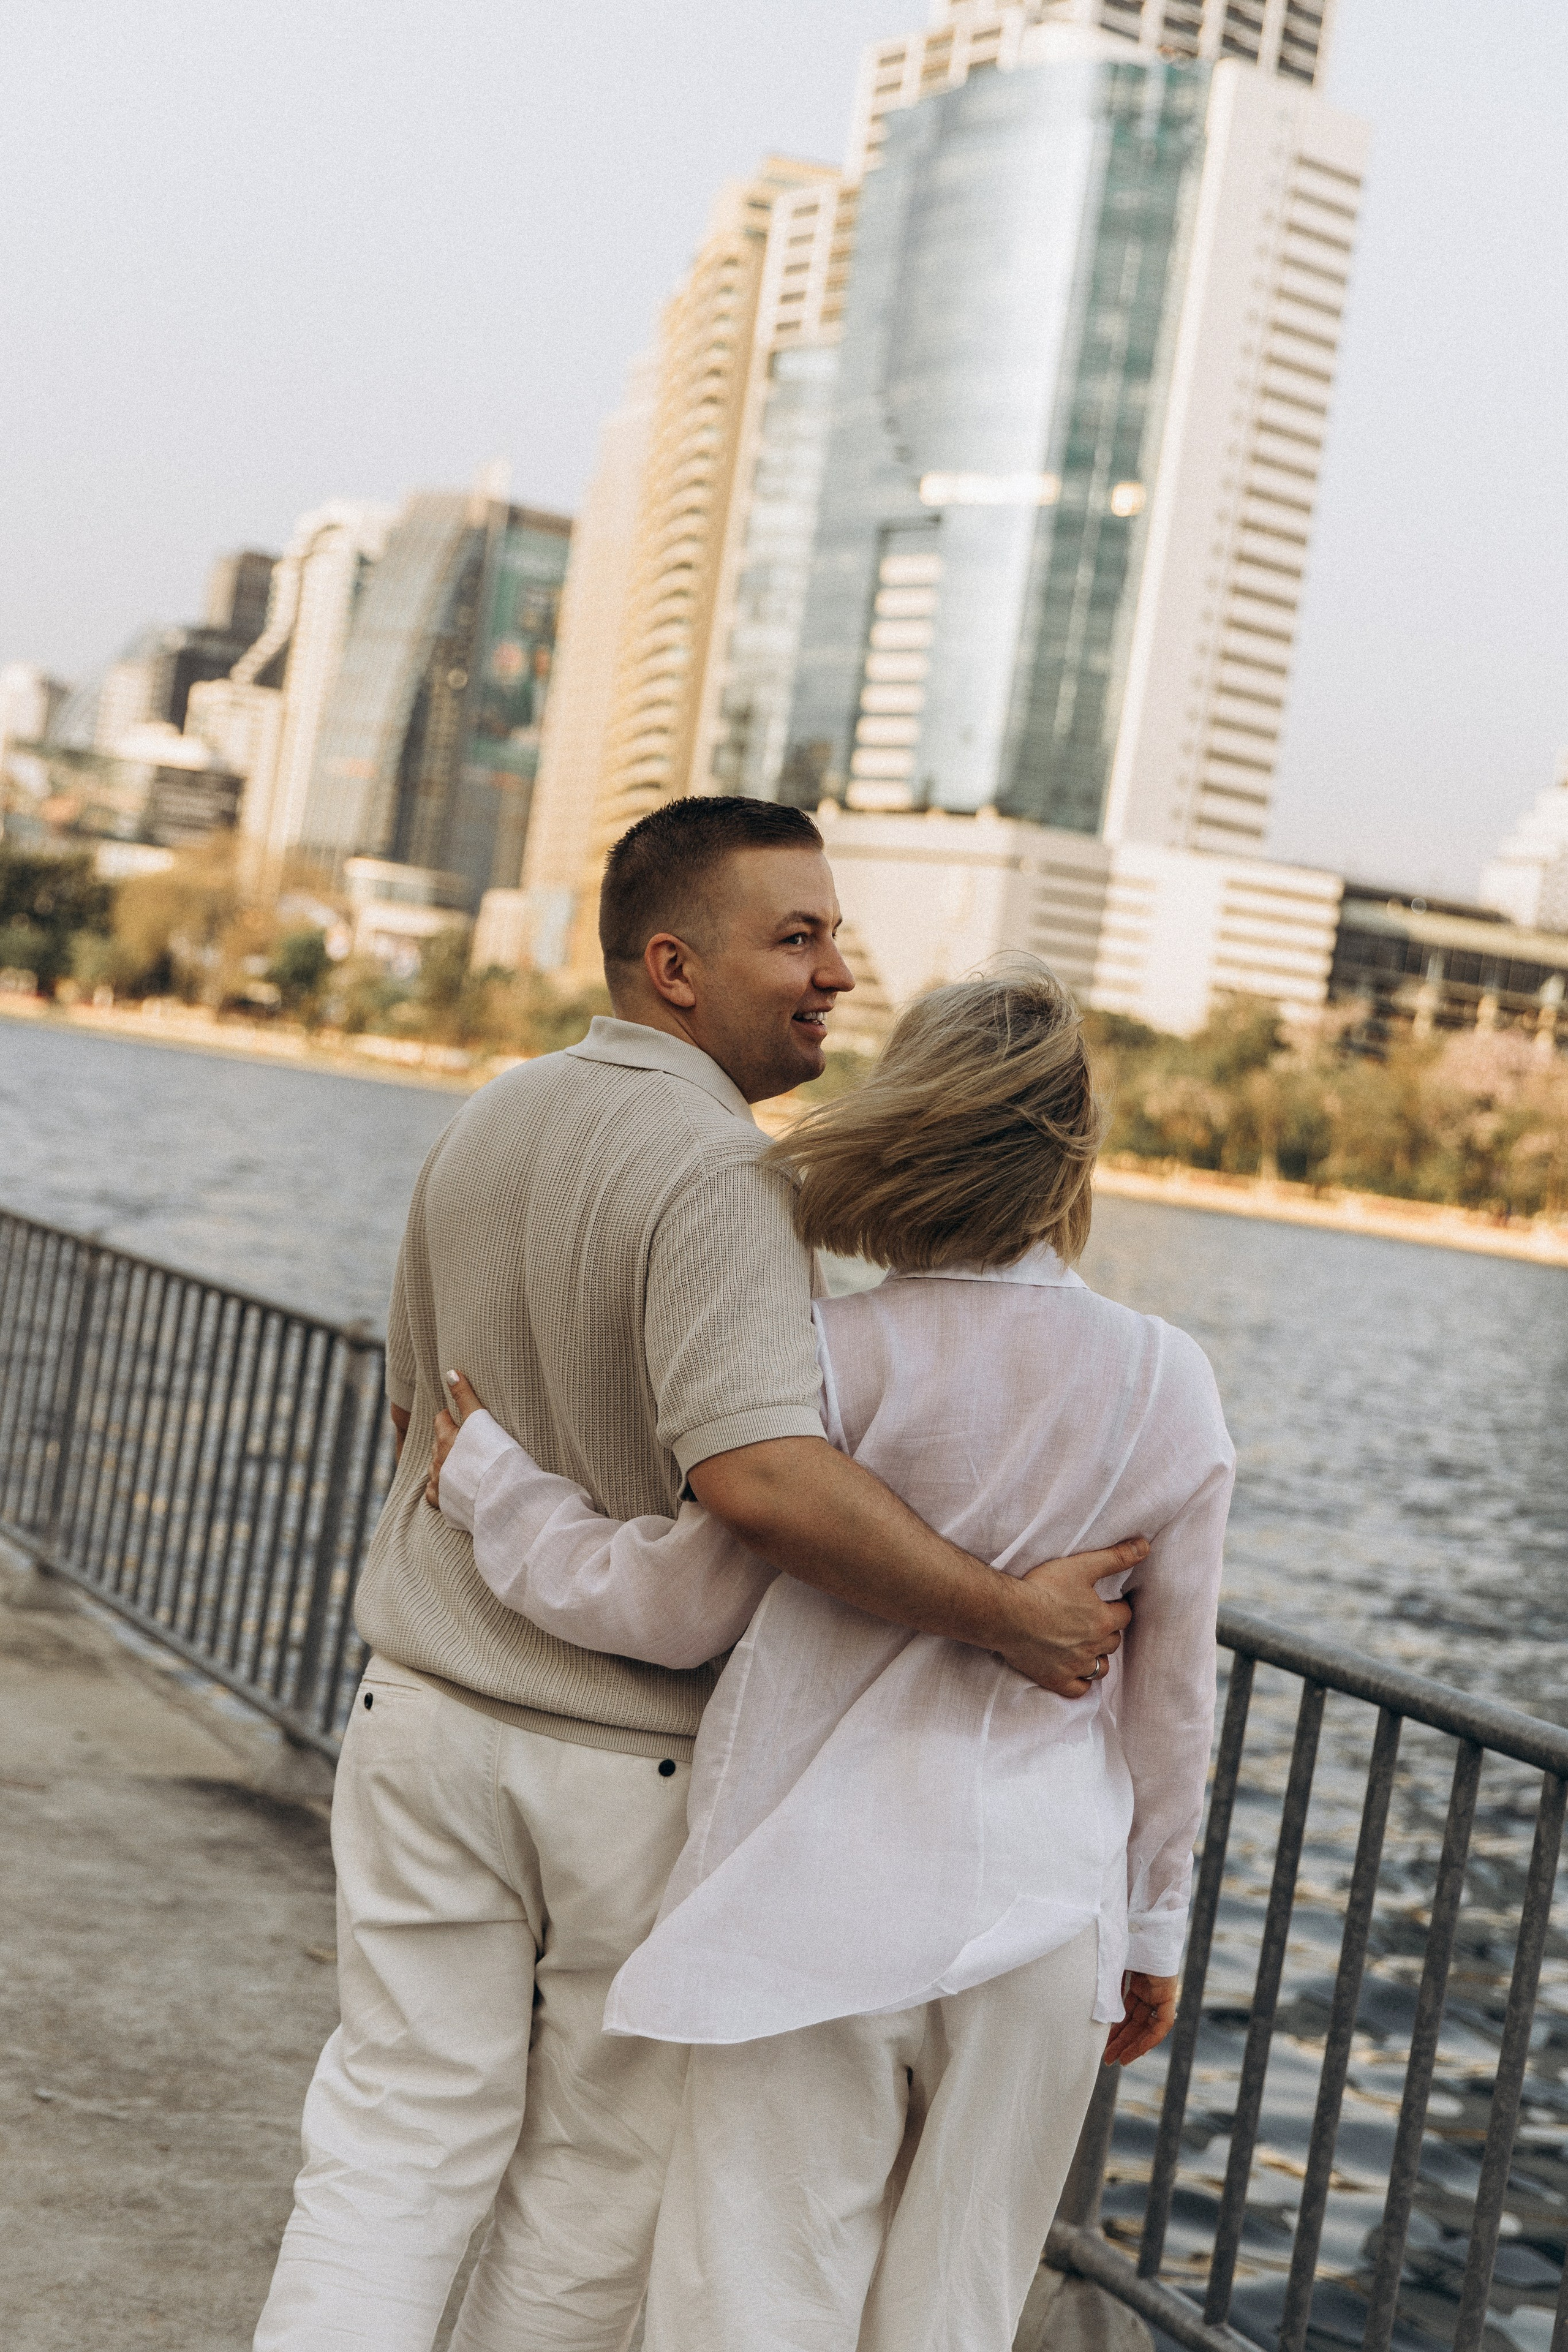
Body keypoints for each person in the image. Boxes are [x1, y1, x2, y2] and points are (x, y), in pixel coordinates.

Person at [254, 799, 1137, 2352]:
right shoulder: (726, 1177)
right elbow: (760, 1480)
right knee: (590, 2186)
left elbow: (420, 1413)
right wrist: (1006, 1614)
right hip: (615, 1764)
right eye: (794, 937)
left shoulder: (487, 1116)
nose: (836, 974)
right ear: (673, 964)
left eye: (832, 936)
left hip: (417, 1716)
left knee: (391, 2136)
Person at [429, 963, 1235, 2352]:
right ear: (1070, 1156)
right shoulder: (1168, 1376)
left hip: (812, 1899)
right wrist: (1153, 1922)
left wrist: (497, 1487)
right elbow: (1171, 1702)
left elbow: (676, 1608)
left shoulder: (826, 1360)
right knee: (954, 2316)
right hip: (1045, 1909)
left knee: (753, 2303)